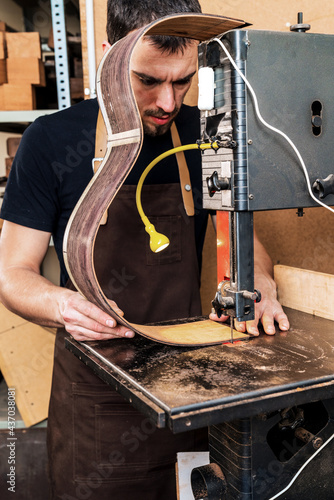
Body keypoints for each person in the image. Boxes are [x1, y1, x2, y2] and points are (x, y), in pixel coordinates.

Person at [0, 0, 289, 498]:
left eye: (182, 81)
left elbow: (244, 241)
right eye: (148, 81)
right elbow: (12, 273)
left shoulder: (207, 136)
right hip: (99, 395)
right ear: (110, 56)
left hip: (191, 384)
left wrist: (256, 278)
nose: (167, 101)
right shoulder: (51, 140)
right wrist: (61, 305)